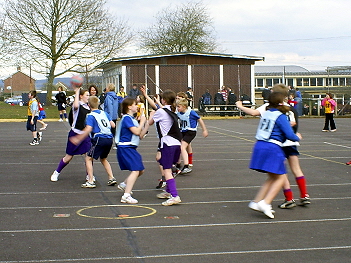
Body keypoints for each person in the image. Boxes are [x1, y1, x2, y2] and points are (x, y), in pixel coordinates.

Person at [236, 83, 310, 208]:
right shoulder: (290, 108)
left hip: (278, 143)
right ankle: (304, 195)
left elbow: (253, 113)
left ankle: (289, 198)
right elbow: (294, 125)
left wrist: (241, 107)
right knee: (296, 170)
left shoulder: (269, 107)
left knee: (280, 172)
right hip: (291, 142)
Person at [248, 92, 301, 219]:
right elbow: (289, 134)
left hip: (259, 145)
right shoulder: (280, 116)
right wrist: (297, 137)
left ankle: (256, 202)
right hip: (272, 147)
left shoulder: (266, 113)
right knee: (281, 177)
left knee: (272, 177)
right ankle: (265, 203)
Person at [69, 96, 116, 188]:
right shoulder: (104, 113)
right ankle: (111, 177)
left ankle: (90, 181)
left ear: (89, 105)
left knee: (88, 158)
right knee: (103, 159)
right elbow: (113, 125)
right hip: (109, 139)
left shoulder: (90, 116)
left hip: (99, 138)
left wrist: (78, 138)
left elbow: (88, 128)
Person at [148, 89, 182, 206]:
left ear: (164, 100)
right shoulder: (173, 110)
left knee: (166, 170)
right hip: (177, 143)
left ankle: (174, 195)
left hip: (168, 143)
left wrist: (150, 115)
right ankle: (168, 191)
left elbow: (150, 122)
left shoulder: (161, 112)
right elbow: (162, 108)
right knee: (165, 164)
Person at [50, 82, 91, 182]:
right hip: (75, 133)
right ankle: (56, 172)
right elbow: (76, 104)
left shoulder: (88, 107)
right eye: (87, 95)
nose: (88, 97)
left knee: (89, 157)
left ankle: (89, 175)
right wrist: (77, 91)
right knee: (68, 157)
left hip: (85, 135)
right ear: (81, 96)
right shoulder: (77, 106)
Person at [115, 97, 148, 204]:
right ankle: (126, 195)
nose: (136, 106)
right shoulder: (126, 118)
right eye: (134, 104)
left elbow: (141, 135)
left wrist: (147, 123)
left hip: (131, 147)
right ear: (129, 107)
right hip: (125, 147)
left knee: (140, 169)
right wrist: (142, 121)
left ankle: (125, 184)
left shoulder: (132, 119)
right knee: (135, 169)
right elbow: (137, 132)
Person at [176, 98, 208, 174]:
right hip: (183, 131)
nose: (177, 108)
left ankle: (186, 166)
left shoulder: (191, 112)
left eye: (179, 106)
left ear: (184, 106)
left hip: (190, 132)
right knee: (178, 146)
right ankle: (178, 164)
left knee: (182, 147)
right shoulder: (178, 113)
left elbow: (199, 119)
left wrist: (204, 130)